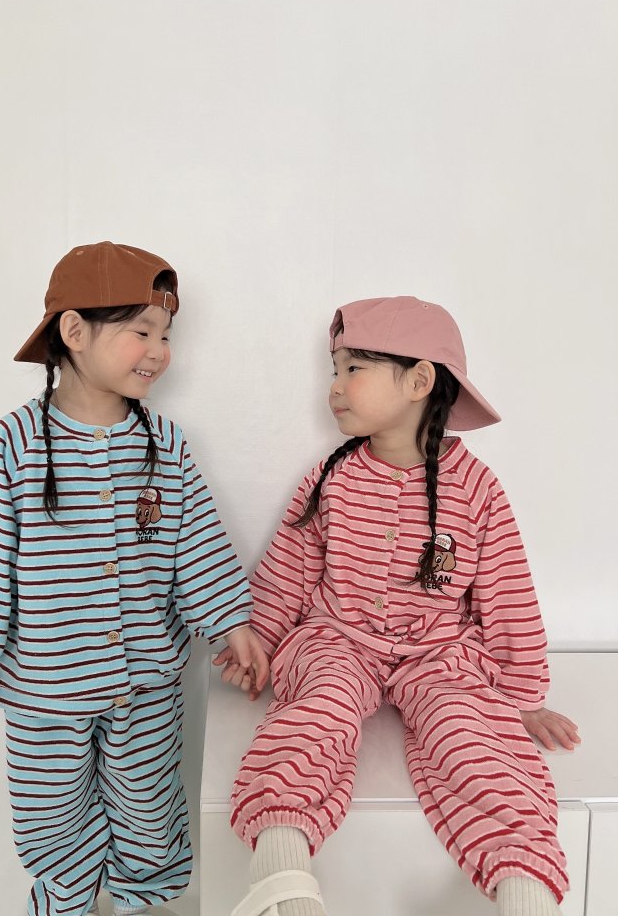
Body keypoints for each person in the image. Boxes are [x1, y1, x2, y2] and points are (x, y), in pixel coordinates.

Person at [0, 241, 268, 916]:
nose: (160, 351)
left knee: (149, 804)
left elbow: (196, 544)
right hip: (45, 687)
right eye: (142, 331)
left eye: (166, 335)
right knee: (50, 814)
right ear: (75, 332)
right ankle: (64, 901)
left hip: (146, 680)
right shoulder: (15, 444)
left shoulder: (165, 444)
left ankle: (143, 901)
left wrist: (231, 623)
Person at [215, 296, 579, 916]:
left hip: (441, 653)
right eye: (334, 370)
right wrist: (261, 643)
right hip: (338, 639)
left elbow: (507, 592)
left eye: (353, 369)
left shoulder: (477, 490)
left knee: (471, 735)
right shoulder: (330, 478)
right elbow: (288, 571)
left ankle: (525, 890)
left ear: (418, 380)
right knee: (318, 709)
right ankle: (281, 868)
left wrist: (523, 695)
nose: (334, 387)